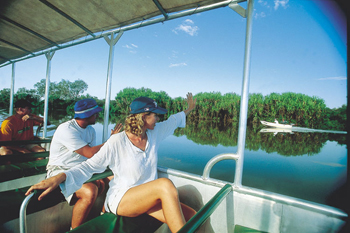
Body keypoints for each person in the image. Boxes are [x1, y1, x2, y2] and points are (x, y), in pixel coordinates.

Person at [26, 93, 197, 233]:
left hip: (146, 198)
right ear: (144, 117)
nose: (159, 118)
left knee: (193, 215)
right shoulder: (117, 141)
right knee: (164, 185)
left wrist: (188, 109)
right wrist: (60, 176)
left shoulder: (155, 133)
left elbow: (173, 121)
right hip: (122, 199)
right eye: (156, 115)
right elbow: (89, 165)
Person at [46, 98, 122, 229]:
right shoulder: (66, 129)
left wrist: (96, 174)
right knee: (90, 191)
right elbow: (90, 153)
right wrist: (112, 141)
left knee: (117, 179)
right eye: (96, 113)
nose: (98, 116)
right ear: (88, 115)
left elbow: (93, 158)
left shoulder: (90, 130)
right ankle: (75, 230)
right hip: (61, 171)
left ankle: (103, 215)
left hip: (82, 168)